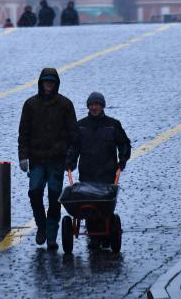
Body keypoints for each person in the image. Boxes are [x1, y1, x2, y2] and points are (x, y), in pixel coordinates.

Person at [18, 67, 77, 250]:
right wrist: (23, 156)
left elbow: (73, 134)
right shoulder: (30, 105)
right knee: (34, 192)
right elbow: (24, 133)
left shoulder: (66, 105)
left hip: (57, 161)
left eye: (51, 82)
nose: (48, 85)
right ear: (41, 83)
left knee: (54, 197)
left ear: (56, 84)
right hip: (36, 159)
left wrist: (70, 158)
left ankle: (51, 235)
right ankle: (41, 226)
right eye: (46, 82)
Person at [65, 91, 131, 249]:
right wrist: (69, 161)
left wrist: (123, 159)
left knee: (103, 206)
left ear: (102, 106)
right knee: (89, 206)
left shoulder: (113, 124)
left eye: (97, 104)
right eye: (92, 104)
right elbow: (74, 147)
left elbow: (124, 144)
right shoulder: (80, 126)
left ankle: (106, 233)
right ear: (88, 106)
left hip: (107, 173)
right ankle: (94, 236)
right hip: (87, 173)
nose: (94, 107)